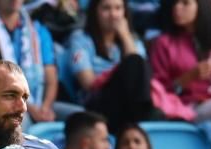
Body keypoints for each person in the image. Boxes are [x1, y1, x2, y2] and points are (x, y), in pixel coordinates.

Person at [0, 0, 78, 122]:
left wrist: (46, 107)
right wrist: (30, 108)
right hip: (6, 103)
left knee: (82, 118)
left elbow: (51, 76)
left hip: (42, 102)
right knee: (17, 122)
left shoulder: (38, 30)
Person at [66, 0, 155, 133]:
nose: (113, 14)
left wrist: (125, 36)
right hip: (98, 104)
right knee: (133, 62)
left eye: (118, 8)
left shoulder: (133, 41)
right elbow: (88, 82)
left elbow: (141, 77)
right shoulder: (81, 39)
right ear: (95, 12)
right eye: (106, 8)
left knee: (158, 113)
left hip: (129, 105)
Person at [150, 0, 211, 124]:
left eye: (185, 3)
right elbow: (157, 92)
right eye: (175, 3)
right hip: (187, 108)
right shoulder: (163, 43)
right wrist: (188, 78)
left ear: (201, 6)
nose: (177, 8)